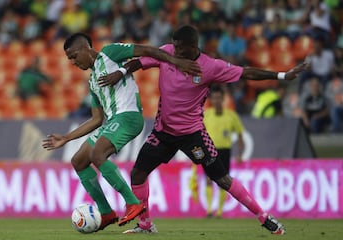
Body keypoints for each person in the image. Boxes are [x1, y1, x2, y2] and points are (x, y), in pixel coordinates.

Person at [99, 25, 307, 235]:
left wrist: (281, 76)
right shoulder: (167, 53)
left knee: (222, 179)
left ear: (193, 46)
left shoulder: (210, 66)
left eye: (180, 48)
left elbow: (246, 73)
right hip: (163, 132)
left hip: (193, 134)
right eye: (175, 46)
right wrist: (121, 72)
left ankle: (264, 217)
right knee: (138, 173)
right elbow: (140, 61)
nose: (175, 51)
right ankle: (145, 224)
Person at [42, 33, 200, 231]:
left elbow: (148, 50)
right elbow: (97, 119)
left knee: (97, 153)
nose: (73, 62)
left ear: (85, 48)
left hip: (129, 117)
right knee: (79, 161)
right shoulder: (93, 82)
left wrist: (176, 62)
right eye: (69, 59)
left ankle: (133, 203)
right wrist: (66, 138)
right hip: (113, 121)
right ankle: (106, 212)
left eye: (73, 56)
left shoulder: (109, 53)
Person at [190, 85, 245, 218]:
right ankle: (209, 210)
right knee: (209, 179)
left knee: (223, 181)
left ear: (223, 99)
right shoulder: (206, 115)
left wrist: (240, 154)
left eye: (219, 98)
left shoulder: (231, 116)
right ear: (211, 100)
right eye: (214, 98)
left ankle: (219, 212)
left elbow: (240, 136)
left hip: (225, 151)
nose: (217, 101)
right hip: (209, 150)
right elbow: (197, 134)